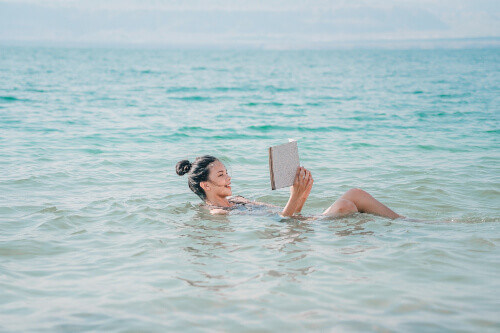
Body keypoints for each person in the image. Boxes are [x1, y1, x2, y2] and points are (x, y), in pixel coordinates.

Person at [176, 155, 402, 219]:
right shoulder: (217, 213)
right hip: (300, 228)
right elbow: (282, 226)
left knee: (355, 193)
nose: (229, 177)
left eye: (227, 172)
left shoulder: (238, 200)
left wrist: (303, 193)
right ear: (205, 184)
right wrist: (295, 195)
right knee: (345, 204)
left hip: (301, 223)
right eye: (222, 174)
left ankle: (410, 223)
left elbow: (289, 217)